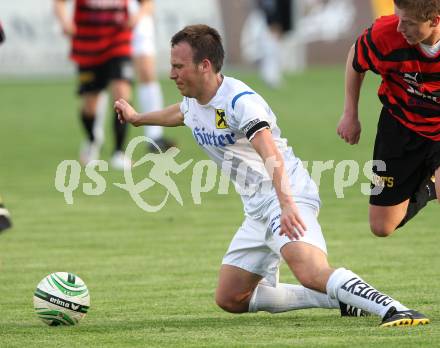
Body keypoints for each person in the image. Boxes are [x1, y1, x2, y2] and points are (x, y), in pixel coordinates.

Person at [115, 24, 429, 326]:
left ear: (204, 66)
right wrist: (138, 118)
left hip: (285, 193)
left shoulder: (241, 103)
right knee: (231, 297)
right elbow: (181, 113)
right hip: (257, 208)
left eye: (178, 66)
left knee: (310, 271)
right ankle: (341, 299)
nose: (171, 73)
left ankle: (394, 308)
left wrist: (288, 205)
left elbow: (271, 155)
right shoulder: (196, 100)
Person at [337, 0, 440, 237]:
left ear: (434, 20)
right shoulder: (386, 35)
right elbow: (356, 57)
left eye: (408, 23)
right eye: (398, 18)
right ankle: (429, 184)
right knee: (381, 227)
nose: (399, 28)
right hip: (400, 125)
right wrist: (350, 114)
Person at [54, 0, 144, 169]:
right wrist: (65, 22)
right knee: (90, 106)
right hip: (87, 45)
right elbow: (59, 3)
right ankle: (92, 140)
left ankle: (118, 151)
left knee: (122, 94)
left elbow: (147, 4)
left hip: (118, 41)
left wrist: (137, 16)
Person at [130, 0, 175, 152]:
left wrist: (136, 17)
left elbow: (148, 3)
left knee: (147, 74)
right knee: (105, 80)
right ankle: (95, 137)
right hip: (107, 24)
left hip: (137, 26)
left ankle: (154, 136)